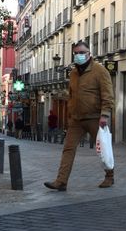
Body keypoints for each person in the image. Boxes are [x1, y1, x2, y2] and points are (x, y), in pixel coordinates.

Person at [44, 40, 115, 191]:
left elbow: (108, 95)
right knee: (68, 149)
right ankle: (61, 181)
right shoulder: (74, 73)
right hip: (76, 119)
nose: (79, 56)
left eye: (82, 53)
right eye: (76, 53)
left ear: (89, 54)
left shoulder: (100, 71)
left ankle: (110, 176)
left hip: (95, 117)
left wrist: (105, 115)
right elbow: (72, 95)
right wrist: (70, 112)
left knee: (102, 148)